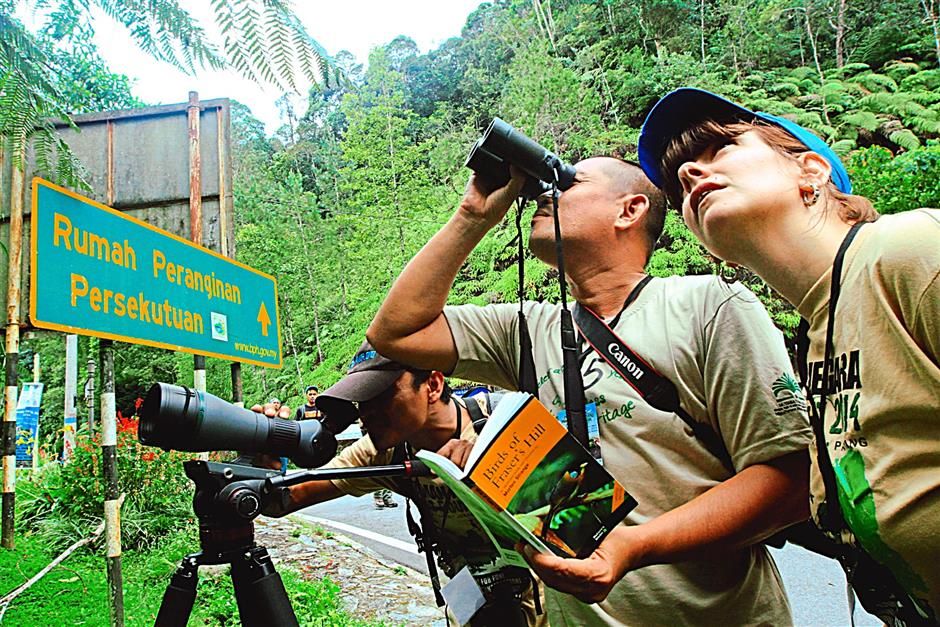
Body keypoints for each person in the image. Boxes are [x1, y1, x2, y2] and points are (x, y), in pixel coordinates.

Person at [366, 156, 813, 624]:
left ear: (630, 210)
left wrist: (631, 547)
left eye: (569, 181)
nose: (544, 193)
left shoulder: (708, 305)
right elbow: (396, 333)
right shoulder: (529, 327)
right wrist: (474, 216)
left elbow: (790, 478)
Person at [638, 87, 940, 622]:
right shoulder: (819, 338)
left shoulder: (909, 253)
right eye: (681, 175)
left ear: (812, 172)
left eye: (721, 148)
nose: (688, 175)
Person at [261, 341, 545, 626]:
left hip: (554, 604)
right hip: (471, 608)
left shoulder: (505, 425)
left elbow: (582, 511)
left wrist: (500, 469)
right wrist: (260, 461)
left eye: (383, 394)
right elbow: (285, 498)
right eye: (363, 400)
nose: (366, 413)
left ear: (432, 385)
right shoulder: (383, 452)